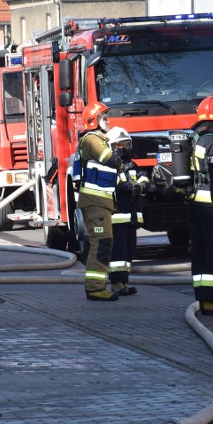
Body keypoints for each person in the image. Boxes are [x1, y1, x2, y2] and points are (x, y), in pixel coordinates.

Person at [188, 97, 213, 316]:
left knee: (200, 250)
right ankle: (211, 300)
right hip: (210, 203)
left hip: (193, 201)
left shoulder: (194, 138)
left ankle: (202, 298)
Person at [78, 101, 122, 301]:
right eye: (104, 117)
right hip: (95, 202)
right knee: (100, 243)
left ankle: (98, 286)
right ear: (94, 120)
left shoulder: (99, 139)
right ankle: (95, 288)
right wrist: (120, 157)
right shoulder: (92, 139)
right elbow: (111, 160)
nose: (108, 121)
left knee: (104, 242)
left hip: (101, 203)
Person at [106, 127, 149, 296]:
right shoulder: (109, 165)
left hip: (131, 216)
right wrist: (132, 187)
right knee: (118, 252)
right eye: (118, 144)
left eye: (125, 144)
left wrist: (143, 184)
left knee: (129, 251)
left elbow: (143, 176)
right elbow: (114, 185)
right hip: (117, 217)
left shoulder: (131, 164)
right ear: (111, 146)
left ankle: (123, 282)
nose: (122, 147)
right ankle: (116, 283)